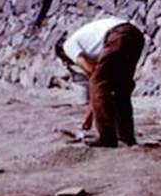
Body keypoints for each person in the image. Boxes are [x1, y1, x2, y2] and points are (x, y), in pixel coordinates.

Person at [57, 16, 145, 148]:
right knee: (121, 89)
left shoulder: (68, 46)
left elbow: (93, 76)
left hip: (118, 36)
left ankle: (107, 137)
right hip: (134, 35)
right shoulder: (91, 43)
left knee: (99, 84)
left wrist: (88, 116)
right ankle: (126, 137)